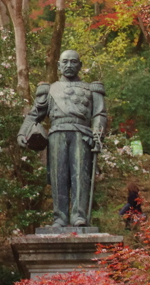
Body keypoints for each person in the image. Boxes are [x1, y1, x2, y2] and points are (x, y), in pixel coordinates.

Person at [18, 50, 107, 227]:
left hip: (82, 134)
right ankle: (60, 217)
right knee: (58, 176)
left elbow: (99, 114)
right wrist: (23, 132)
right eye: (65, 62)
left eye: (73, 62)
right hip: (57, 134)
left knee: (81, 175)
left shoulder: (91, 89)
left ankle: (79, 215)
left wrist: (97, 134)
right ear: (58, 65)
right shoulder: (49, 90)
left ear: (80, 65)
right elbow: (35, 115)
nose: (69, 66)